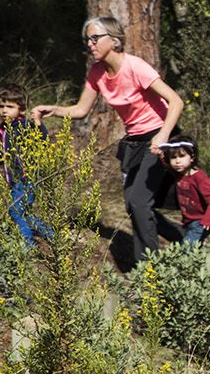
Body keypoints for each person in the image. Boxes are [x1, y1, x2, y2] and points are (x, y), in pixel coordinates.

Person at [33, 16, 186, 263]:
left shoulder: (135, 67)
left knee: (138, 202)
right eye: (87, 40)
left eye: (95, 38)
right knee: (133, 206)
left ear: (114, 41)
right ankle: (180, 236)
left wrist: (163, 136)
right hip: (135, 141)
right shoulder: (97, 72)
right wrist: (54, 109)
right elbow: (81, 110)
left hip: (161, 135)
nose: (90, 44)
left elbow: (176, 101)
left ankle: (149, 272)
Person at [0, 83, 50, 245]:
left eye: (10, 106)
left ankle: (28, 246)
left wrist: (39, 124)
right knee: (21, 213)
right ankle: (52, 234)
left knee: (16, 211)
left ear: (22, 110)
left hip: (28, 178)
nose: (4, 110)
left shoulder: (26, 126)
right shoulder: (1, 131)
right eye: (1, 106)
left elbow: (43, 139)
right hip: (15, 181)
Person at [159, 139, 210, 244]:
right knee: (194, 249)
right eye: (173, 158)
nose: (177, 161)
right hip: (188, 222)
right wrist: (161, 155)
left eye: (182, 156)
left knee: (186, 251)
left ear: (192, 157)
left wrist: (209, 218)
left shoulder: (199, 177)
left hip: (201, 221)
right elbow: (167, 166)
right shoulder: (179, 174)